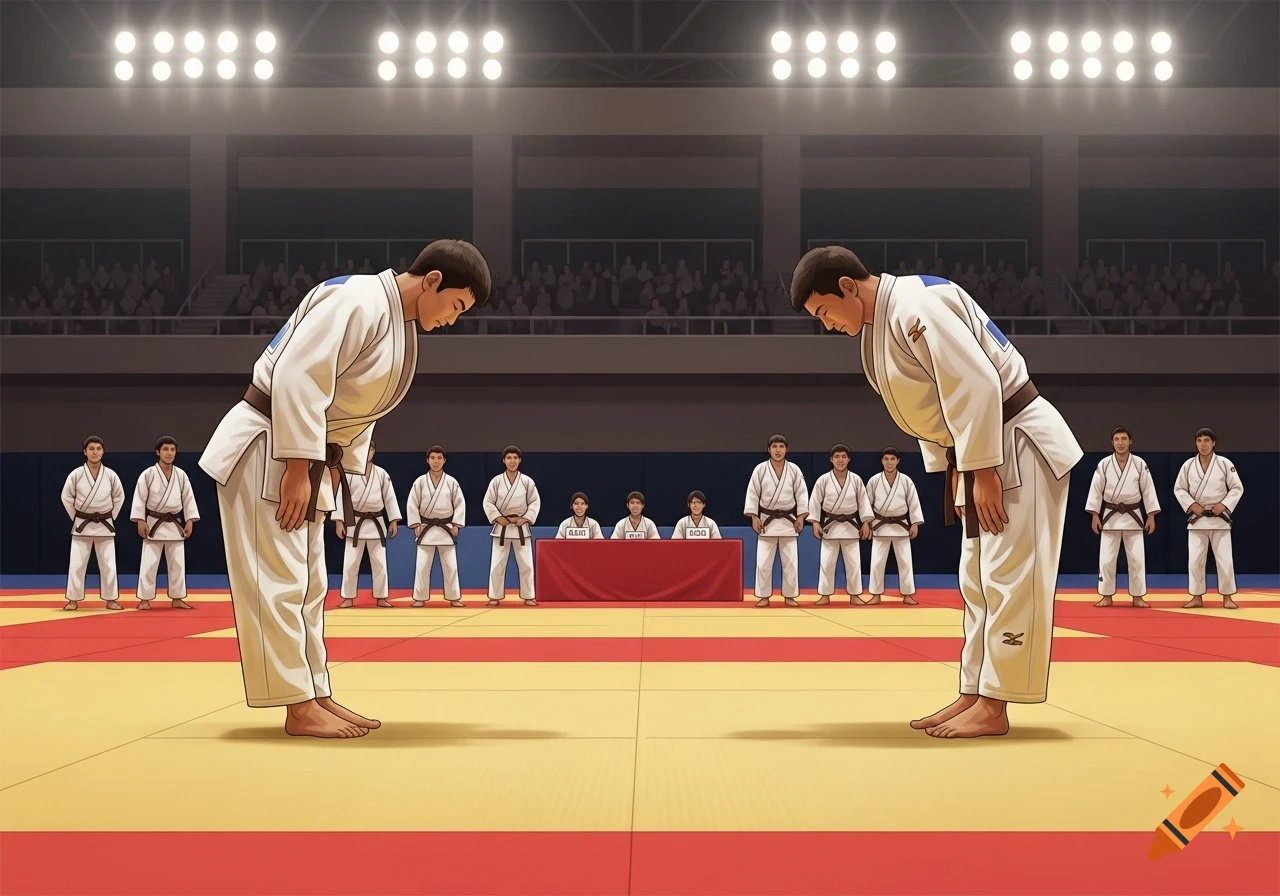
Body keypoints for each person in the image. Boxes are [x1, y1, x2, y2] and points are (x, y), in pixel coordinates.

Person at [198, 239, 489, 738]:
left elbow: (361, 413)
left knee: (309, 583)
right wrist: (295, 465)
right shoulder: (359, 299)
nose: (453, 320)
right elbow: (298, 375)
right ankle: (296, 706)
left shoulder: (398, 324)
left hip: (307, 455)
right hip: (272, 444)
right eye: (457, 306)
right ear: (434, 281)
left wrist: (336, 469)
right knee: (279, 581)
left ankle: (315, 692)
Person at [791, 247, 1082, 738]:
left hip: (1015, 441)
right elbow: (929, 406)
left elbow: (975, 383)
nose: (826, 326)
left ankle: (996, 705)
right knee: (977, 579)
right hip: (976, 453)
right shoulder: (879, 325)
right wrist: (954, 465)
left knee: (1011, 576)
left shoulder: (913, 304)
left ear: (846, 287)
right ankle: (975, 691)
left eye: (823, 312)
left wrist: (983, 466)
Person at [1086, 427, 1160, 608]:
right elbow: (1096, 490)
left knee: (1136, 559)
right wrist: (1095, 514)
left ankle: (1137, 596)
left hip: (1134, 517)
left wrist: (1151, 515)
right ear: (1112, 442)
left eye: (1124, 439)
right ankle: (1106, 595)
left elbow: (1148, 490)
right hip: (1110, 516)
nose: (1120, 443)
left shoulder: (1140, 463)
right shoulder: (1104, 464)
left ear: (1130, 441)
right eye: (1117, 439)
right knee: (1107, 559)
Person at [1174, 428, 1243, 610]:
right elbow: (1179, 489)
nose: (1203, 444)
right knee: (1195, 560)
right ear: (1195, 443)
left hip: (1220, 518)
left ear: (1214, 443)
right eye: (1199, 441)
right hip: (1198, 518)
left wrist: (1224, 505)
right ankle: (1196, 596)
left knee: (1225, 559)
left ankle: (1227, 597)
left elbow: (1237, 488)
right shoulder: (1188, 465)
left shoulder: (1224, 463)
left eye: (1206, 440)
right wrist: (1191, 505)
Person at [130, 436, 200, 610]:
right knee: (149, 563)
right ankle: (145, 599)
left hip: (174, 524)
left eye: (172, 450)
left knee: (177, 564)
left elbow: (188, 499)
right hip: (153, 523)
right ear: (158, 452)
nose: (169, 453)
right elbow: (140, 498)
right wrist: (140, 520)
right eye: (166, 449)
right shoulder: (148, 474)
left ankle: (177, 598)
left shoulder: (181, 475)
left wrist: (190, 519)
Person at [333, 441, 402, 609]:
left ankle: (381, 597)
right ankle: (348, 598)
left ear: (374, 451)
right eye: (364, 449)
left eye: (370, 449)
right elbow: (341, 497)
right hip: (354, 523)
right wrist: (339, 521)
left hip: (376, 523)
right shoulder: (349, 473)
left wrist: (392, 520)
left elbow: (389, 498)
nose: (367, 453)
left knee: (379, 563)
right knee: (350, 563)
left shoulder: (381, 474)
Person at [61, 436, 126, 611]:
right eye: (91, 448)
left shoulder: (111, 475)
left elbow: (119, 497)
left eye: (98, 448)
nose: (95, 452)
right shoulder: (76, 474)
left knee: (109, 565)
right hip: (82, 524)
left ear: (103, 451)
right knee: (76, 564)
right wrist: (77, 517)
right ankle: (73, 599)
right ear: (85, 452)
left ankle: (111, 599)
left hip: (104, 525)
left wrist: (109, 516)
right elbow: (66, 497)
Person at [745, 434, 809, 608]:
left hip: (789, 521)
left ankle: (789, 596)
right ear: (768, 449)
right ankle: (763, 596)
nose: (778, 450)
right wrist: (754, 516)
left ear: (786, 449)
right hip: (766, 521)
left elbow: (802, 494)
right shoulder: (760, 469)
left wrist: (801, 516)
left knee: (790, 562)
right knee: (763, 562)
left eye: (781, 446)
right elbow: (753, 493)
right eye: (774, 447)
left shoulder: (794, 470)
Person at [808, 444, 872, 606]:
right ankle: (824, 595)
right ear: (831, 459)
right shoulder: (823, 480)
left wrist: (865, 523)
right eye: (837, 457)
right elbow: (815, 502)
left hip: (851, 527)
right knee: (827, 563)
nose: (840, 460)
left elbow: (863, 502)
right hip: (830, 526)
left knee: (854, 563)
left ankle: (855, 595)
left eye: (843, 456)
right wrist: (815, 522)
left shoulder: (856, 480)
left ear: (849, 459)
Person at [407, 445, 466, 607]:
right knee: (422, 565)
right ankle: (419, 598)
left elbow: (460, 503)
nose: (436, 461)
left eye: (439, 458)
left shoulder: (451, 482)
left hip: (446, 527)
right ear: (427, 460)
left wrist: (456, 524)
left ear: (444, 460)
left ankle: (454, 597)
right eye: (433, 458)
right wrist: (416, 524)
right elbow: (412, 504)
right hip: (426, 527)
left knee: (450, 565)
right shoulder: (419, 482)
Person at [865, 447, 925, 606]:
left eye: (892, 459)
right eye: (886, 459)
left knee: (905, 562)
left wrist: (915, 523)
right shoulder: (874, 481)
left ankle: (907, 595)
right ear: (882, 461)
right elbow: (866, 504)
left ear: (898, 461)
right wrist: (867, 524)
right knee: (877, 562)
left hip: (901, 526)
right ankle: (876, 595)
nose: (889, 462)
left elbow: (913, 503)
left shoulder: (906, 480)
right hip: (879, 525)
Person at [484, 445, 541, 607]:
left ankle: (529, 596)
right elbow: (488, 502)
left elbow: (535, 502)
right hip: (501, 528)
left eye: (515, 458)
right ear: (503, 460)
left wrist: (525, 518)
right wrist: (497, 517)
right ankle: (494, 596)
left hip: (520, 528)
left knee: (526, 564)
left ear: (520, 460)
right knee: (497, 564)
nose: (512, 461)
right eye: (509, 458)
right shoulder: (496, 481)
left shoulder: (527, 481)